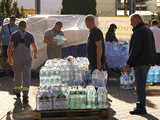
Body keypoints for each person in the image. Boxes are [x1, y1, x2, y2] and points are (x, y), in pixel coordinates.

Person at [123, 14, 156, 115]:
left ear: (138, 20)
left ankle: (141, 108)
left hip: (141, 62)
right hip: (146, 62)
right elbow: (152, 46)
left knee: (140, 86)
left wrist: (128, 63)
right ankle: (141, 106)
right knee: (141, 85)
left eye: (132, 21)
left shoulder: (139, 31)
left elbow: (135, 50)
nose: (131, 23)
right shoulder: (146, 30)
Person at [7, 21, 38, 106]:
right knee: (26, 77)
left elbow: (10, 47)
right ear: (25, 27)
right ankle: (25, 96)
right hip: (27, 59)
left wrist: (9, 58)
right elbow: (34, 47)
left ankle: (17, 93)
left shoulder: (14, 35)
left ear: (19, 26)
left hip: (17, 59)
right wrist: (35, 54)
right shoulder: (30, 35)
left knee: (17, 76)